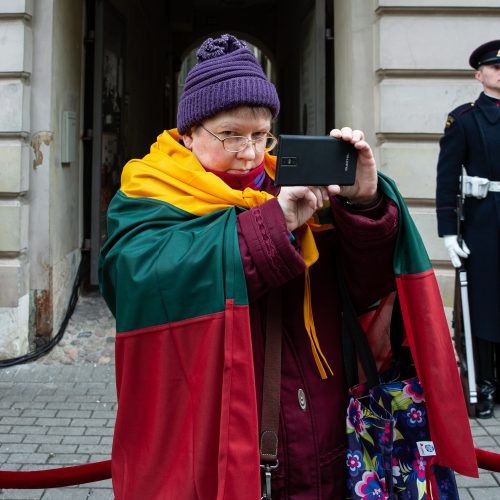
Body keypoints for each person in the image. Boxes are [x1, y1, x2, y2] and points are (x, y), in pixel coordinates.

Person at [99, 34, 476, 499]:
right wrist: (273, 224)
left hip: (320, 433)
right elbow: (136, 281)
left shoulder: (294, 184)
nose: (250, 152)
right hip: (213, 434)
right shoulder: (148, 192)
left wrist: (364, 204)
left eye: (261, 135)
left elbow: (366, 288)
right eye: (231, 134)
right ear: (190, 131)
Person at [436, 39, 500, 419]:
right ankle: (485, 381)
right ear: (480, 75)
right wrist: (448, 231)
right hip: (483, 221)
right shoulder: (464, 119)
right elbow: (447, 178)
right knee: (484, 302)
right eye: (494, 67)